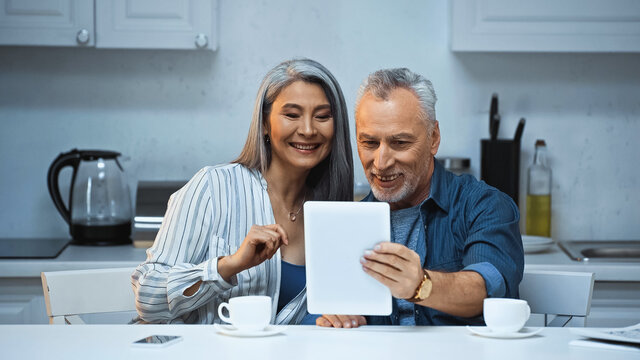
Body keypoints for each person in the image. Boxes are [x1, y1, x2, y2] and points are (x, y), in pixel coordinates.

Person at [131, 58, 354, 324]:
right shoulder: (212, 187)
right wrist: (230, 265)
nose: (307, 130)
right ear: (264, 124)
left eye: (322, 116)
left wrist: (342, 319)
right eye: (292, 115)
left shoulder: (335, 212)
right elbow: (148, 298)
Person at [316, 68, 524, 328]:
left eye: (400, 143)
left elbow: (487, 290)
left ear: (433, 138)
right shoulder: (349, 222)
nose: (381, 162)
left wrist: (422, 286)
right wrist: (345, 320)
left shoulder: (484, 206)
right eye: (369, 143)